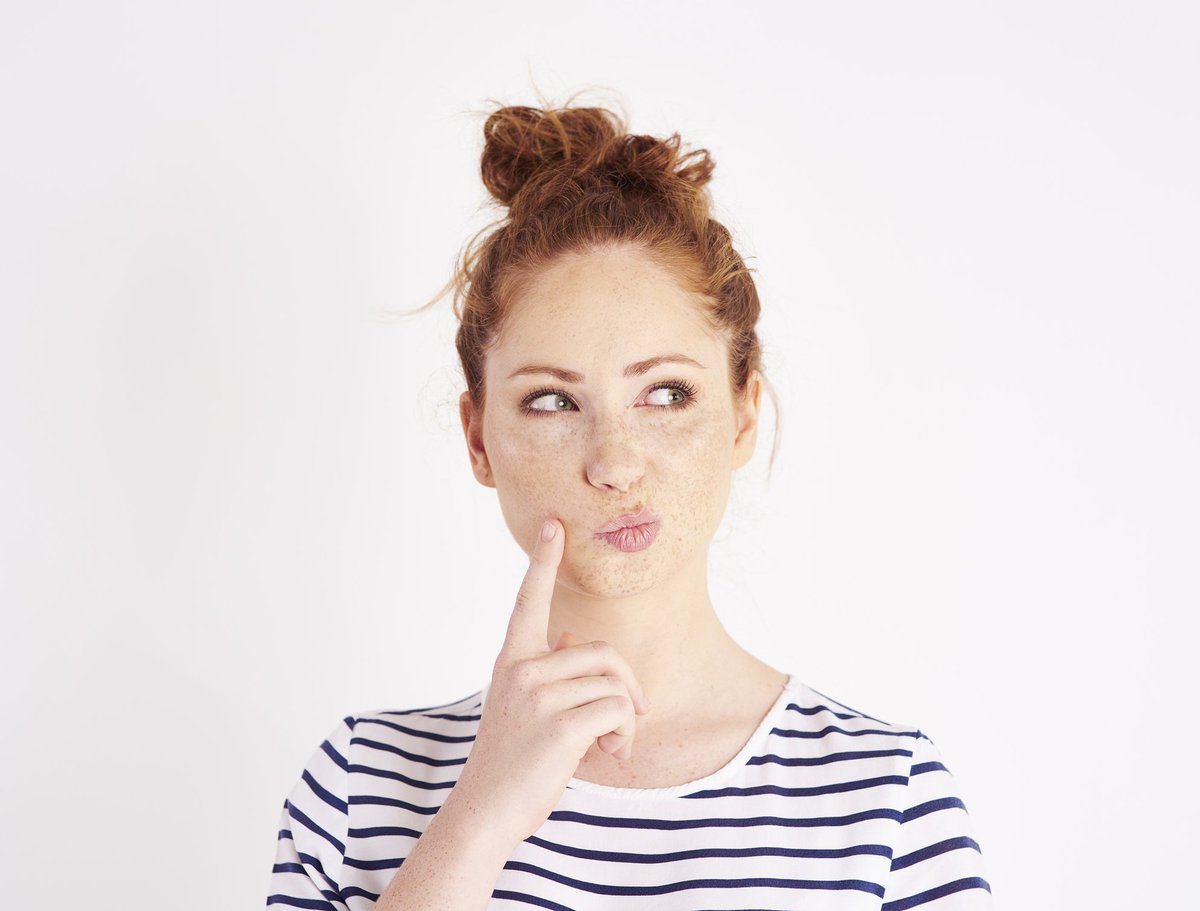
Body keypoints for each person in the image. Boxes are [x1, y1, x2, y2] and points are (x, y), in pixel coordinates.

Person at [265, 96, 994, 910]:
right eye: (551, 402)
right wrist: (479, 819)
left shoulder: (883, 800)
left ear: (744, 412)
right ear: (478, 439)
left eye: (667, 392)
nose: (614, 462)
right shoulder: (362, 784)